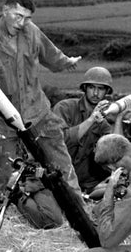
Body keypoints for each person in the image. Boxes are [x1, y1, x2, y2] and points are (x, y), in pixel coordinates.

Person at [0, 0, 83, 234]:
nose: (22, 23)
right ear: (5, 10)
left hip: (38, 112)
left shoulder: (32, 32)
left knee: (63, 166)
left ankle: (82, 223)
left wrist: (67, 62)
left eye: (27, 18)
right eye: (18, 16)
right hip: (2, 120)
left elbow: (52, 55)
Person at [52, 66, 126, 197]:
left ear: (106, 91)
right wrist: (91, 119)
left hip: (86, 183)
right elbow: (60, 141)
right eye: (92, 87)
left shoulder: (103, 124)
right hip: (58, 176)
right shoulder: (65, 108)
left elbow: (116, 151)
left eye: (101, 89)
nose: (96, 93)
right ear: (85, 88)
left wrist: (119, 117)